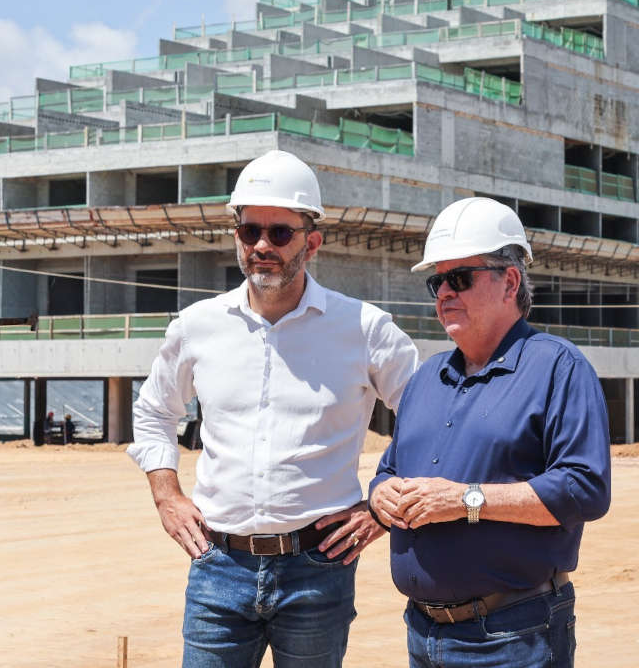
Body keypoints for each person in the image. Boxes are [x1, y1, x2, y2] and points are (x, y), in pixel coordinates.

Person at [128, 149, 420, 668]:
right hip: (217, 566)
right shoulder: (198, 326)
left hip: (319, 569)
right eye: (250, 231)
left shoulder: (364, 329)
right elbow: (154, 412)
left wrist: (381, 508)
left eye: (279, 233)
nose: (262, 245)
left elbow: (430, 421)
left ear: (312, 242)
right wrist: (166, 496)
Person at [368, 197, 611, 668]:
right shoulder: (426, 378)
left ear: (510, 282)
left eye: (460, 278)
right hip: (421, 632)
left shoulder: (558, 368)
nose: (444, 292)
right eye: (437, 281)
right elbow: (388, 470)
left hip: (512, 635)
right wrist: (381, 495)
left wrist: (466, 500)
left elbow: (585, 489)